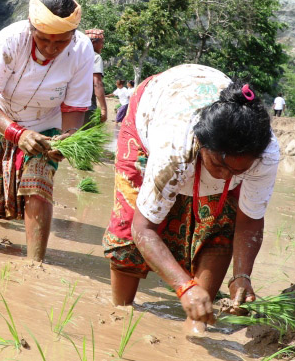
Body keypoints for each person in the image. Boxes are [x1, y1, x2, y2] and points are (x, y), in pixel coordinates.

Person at [103, 64, 279, 333]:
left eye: (238, 170)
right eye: (219, 167)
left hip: (204, 124)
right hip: (153, 110)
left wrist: (241, 276)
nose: (224, 178)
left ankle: (197, 326)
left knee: (220, 225)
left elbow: (250, 221)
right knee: (128, 230)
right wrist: (183, 286)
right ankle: (120, 316)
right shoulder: (176, 148)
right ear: (202, 144)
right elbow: (143, 229)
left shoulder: (265, 155)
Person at [0, 0, 94, 262]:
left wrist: (66, 139)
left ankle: (35, 267)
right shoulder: (10, 40)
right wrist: (16, 133)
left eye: (61, 42)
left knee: (37, 189)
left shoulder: (82, 50)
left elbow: (74, 110)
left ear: (72, 36)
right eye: (43, 39)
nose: (51, 48)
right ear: (31, 27)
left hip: (46, 125)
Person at [84, 28, 108, 123]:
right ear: (93, 43)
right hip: (87, 106)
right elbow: (97, 83)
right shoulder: (95, 57)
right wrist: (104, 109)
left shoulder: (75, 54)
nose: (102, 46)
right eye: (101, 43)